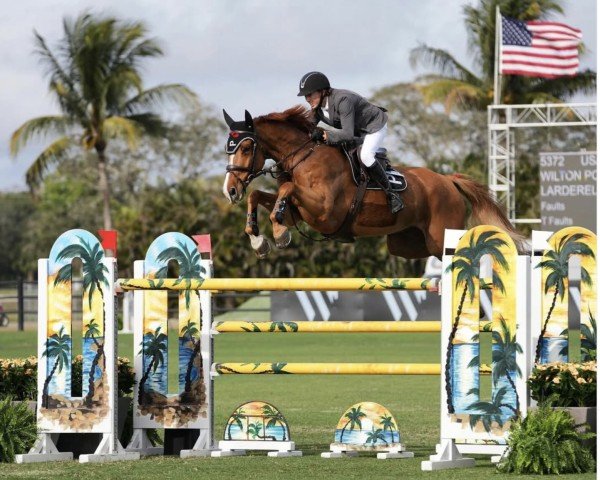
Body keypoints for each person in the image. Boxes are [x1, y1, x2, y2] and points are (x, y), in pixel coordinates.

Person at [297, 71, 403, 213]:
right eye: (305, 96)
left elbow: (347, 134)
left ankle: (392, 195)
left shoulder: (343, 100)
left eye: (310, 94)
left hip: (374, 126)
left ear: (322, 91)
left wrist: (325, 135)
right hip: (357, 131)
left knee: (366, 156)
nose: (307, 99)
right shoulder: (318, 108)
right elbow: (306, 128)